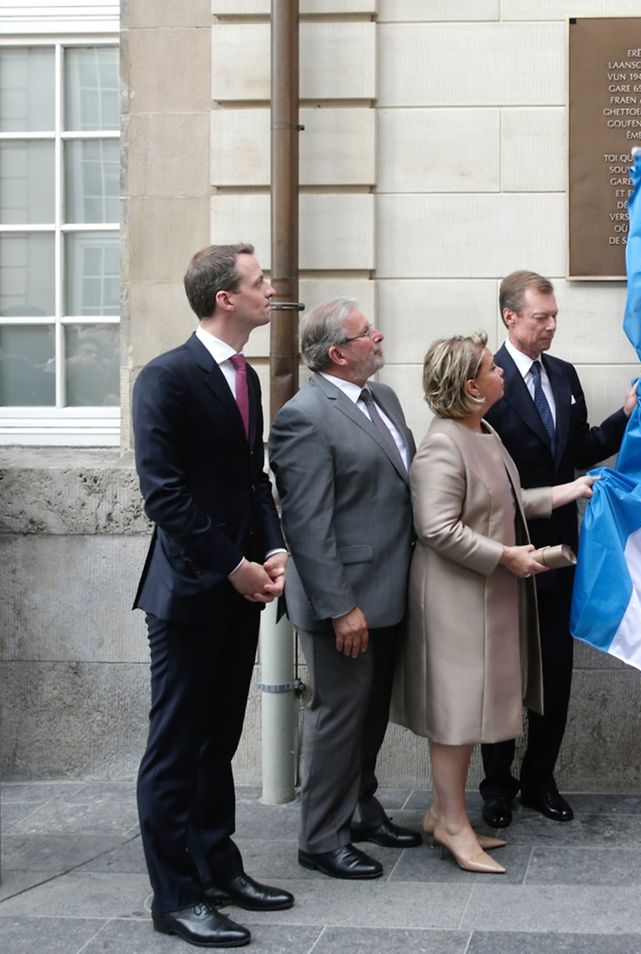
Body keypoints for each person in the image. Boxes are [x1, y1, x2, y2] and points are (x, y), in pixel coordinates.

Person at [132, 243, 294, 948]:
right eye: (260, 283)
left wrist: (276, 547)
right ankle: (174, 897)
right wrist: (234, 565)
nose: (271, 290)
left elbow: (251, 480)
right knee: (176, 749)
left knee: (218, 743)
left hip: (242, 588)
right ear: (225, 299)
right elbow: (163, 497)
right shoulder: (164, 379)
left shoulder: (246, 379)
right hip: (189, 594)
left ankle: (218, 866)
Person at [391, 332, 596, 874]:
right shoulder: (443, 444)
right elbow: (435, 527)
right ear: (469, 386)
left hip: (486, 596)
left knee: (471, 711)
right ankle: (455, 826)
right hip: (456, 602)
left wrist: (567, 492)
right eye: (491, 367)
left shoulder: (483, 432)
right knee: (455, 716)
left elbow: (509, 500)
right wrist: (505, 556)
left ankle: (443, 812)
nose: (502, 372)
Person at [268, 299, 422, 882]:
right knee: (338, 717)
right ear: (338, 352)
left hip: (387, 590)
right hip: (343, 602)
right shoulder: (304, 416)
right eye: (366, 333)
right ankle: (320, 838)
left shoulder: (384, 398)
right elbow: (306, 525)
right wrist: (341, 608)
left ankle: (361, 807)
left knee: (370, 713)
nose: (379, 336)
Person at [480, 270, 636, 829]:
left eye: (554, 317)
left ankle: (539, 778)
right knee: (502, 672)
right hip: (502, 553)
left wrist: (625, 417)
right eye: (540, 317)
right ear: (510, 317)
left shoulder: (564, 375)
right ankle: (496, 786)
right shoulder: (484, 378)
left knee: (555, 671)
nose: (550, 326)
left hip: (561, 551)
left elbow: (581, 450)